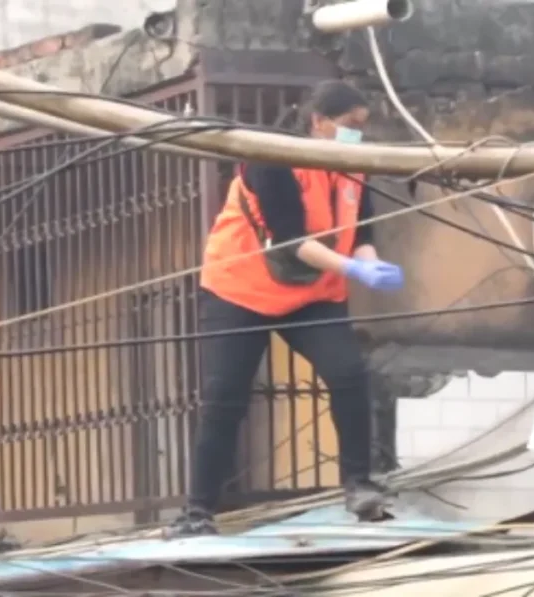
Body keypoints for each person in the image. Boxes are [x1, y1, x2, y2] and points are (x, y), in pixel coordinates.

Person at [168, 80, 404, 536]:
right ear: (318, 122)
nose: (357, 135)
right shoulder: (271, 158)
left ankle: (360, 485)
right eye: (350, 125)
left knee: (349, 373)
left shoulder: (352, 166)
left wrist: (370, 261)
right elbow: (291, 240)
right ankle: (197, 511)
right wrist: (354, 270)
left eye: (362, 126)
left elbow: (361, 230)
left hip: (312, 293)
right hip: (241, 289)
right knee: (225, 397)